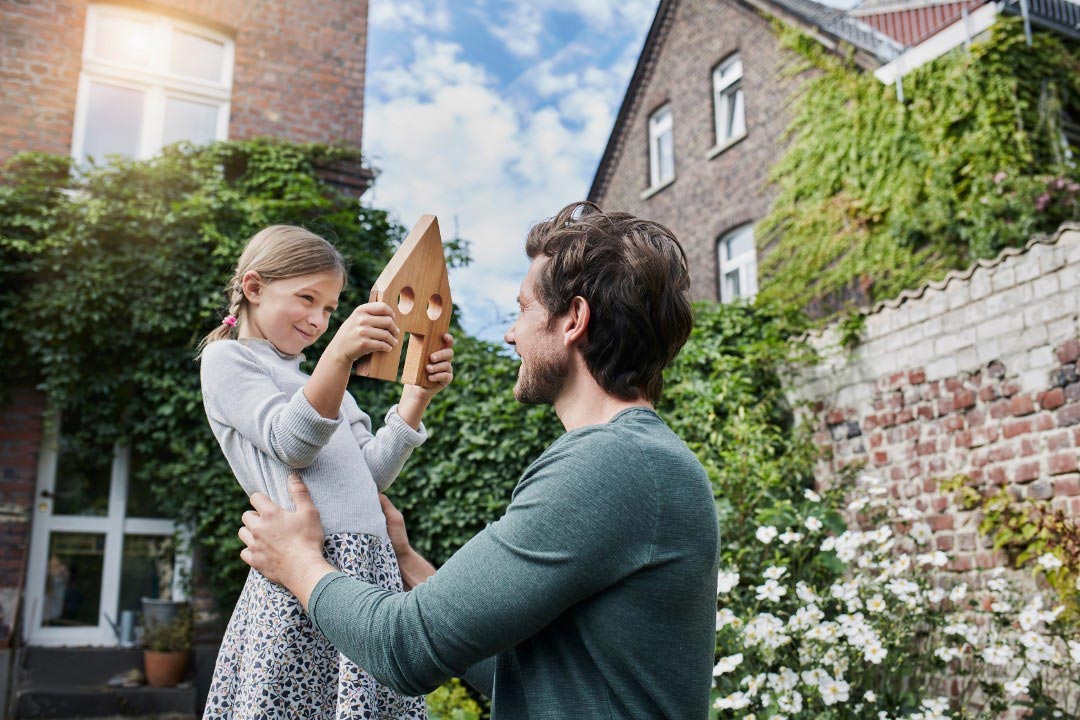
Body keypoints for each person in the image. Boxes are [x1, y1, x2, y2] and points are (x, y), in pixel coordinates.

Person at [238, 204, 720, 719]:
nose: (510, 335)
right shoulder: (636, 460)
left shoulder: (611, 465)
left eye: (523, 310)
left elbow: (401, 649)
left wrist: (297, 564)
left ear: (573, 320)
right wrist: (406, 562)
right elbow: (524, 671)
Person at [196, 225, 455, 719]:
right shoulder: (226, 359)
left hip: (368, 567)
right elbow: (289, 442)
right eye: (306, 299)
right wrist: (337, 355)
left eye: (330, 309)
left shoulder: (327, 385)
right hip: (305, 569)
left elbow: (371, 475)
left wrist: (414, 401)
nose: (318, 321)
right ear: (253, 288)